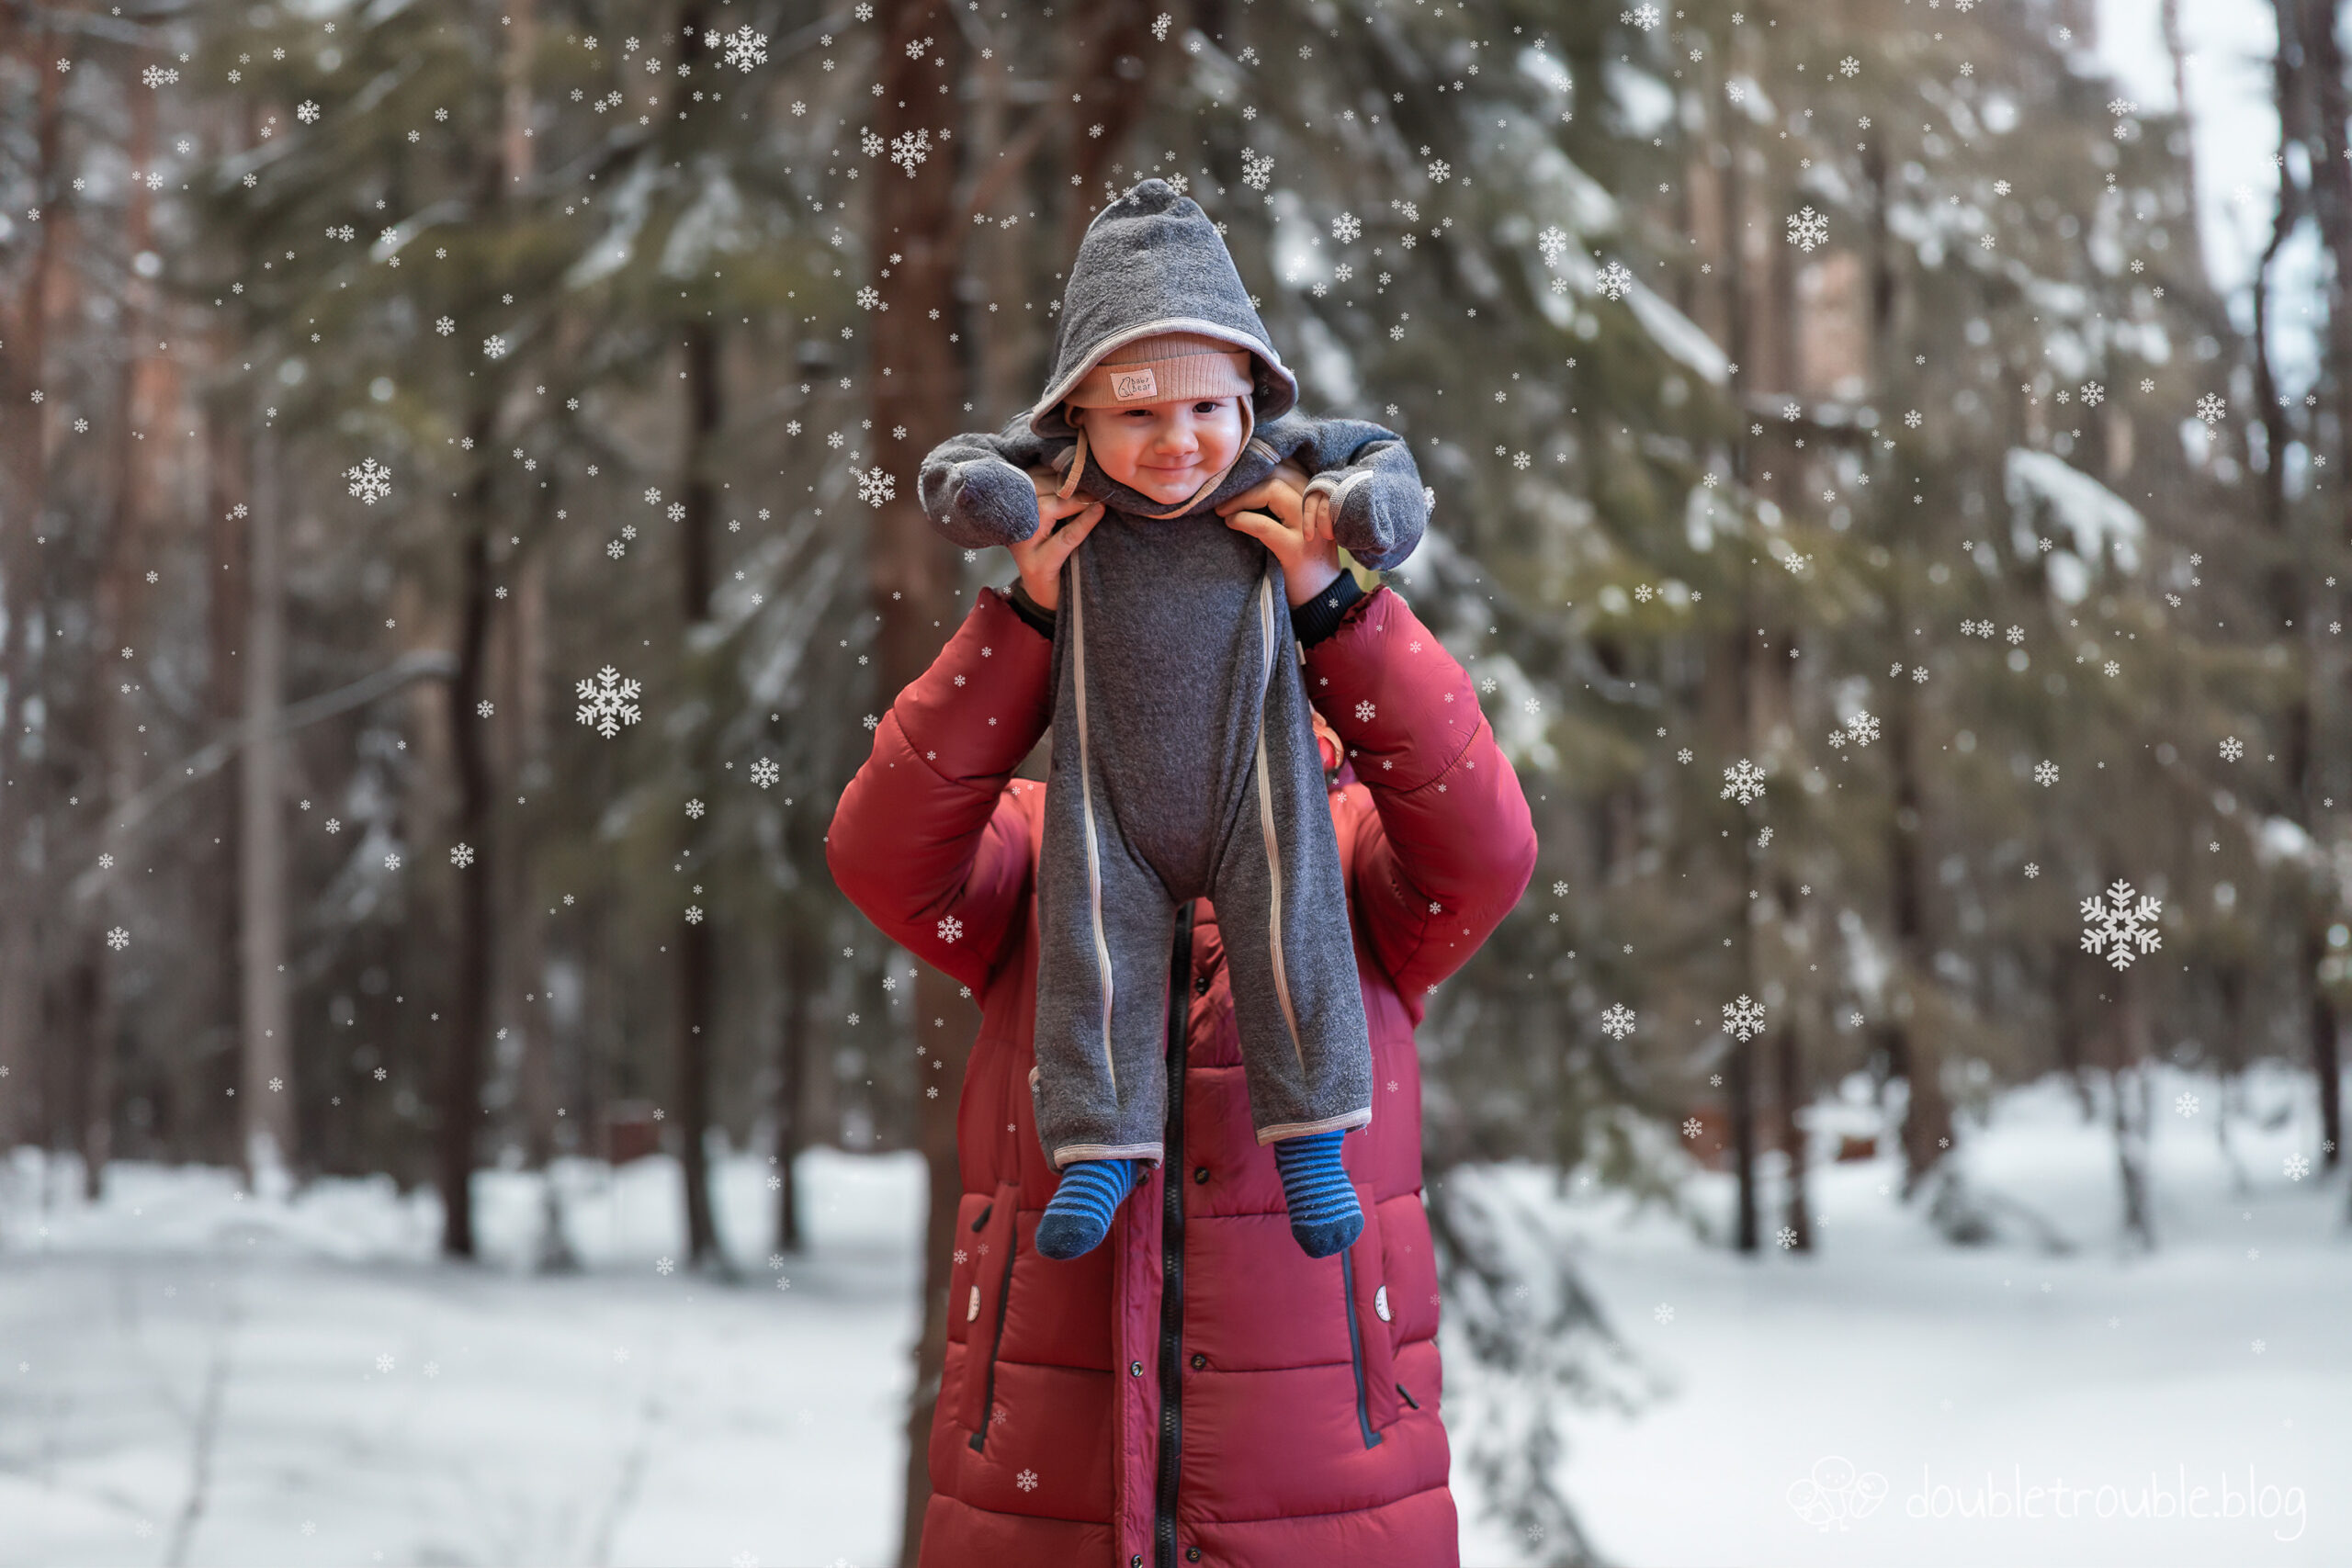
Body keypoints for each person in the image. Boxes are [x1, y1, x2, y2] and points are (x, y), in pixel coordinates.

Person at [826, 441, 1537, 1563]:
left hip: (1330, 1503)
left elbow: (1486, 852)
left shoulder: (1358, 868)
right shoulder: (1039, 850)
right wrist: (1033, 624)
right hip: (1035, 1498)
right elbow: (881, 855)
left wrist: (1340, 615)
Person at [915, 178, 1430, 1263]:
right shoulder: (1064, 485)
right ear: (1082, 416)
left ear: (1246, 396)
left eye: (1203, 409)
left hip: (1262, 780)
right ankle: (1099, 1146)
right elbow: (954, 466)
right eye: (1137, 414)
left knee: (1300, 935)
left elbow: (1381, 453)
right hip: (1108, 791)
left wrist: (1364, 515)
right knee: (1089, 942)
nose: (1176, 442)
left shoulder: (1277, 473)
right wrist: (990, 504)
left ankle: (1311, 1143)